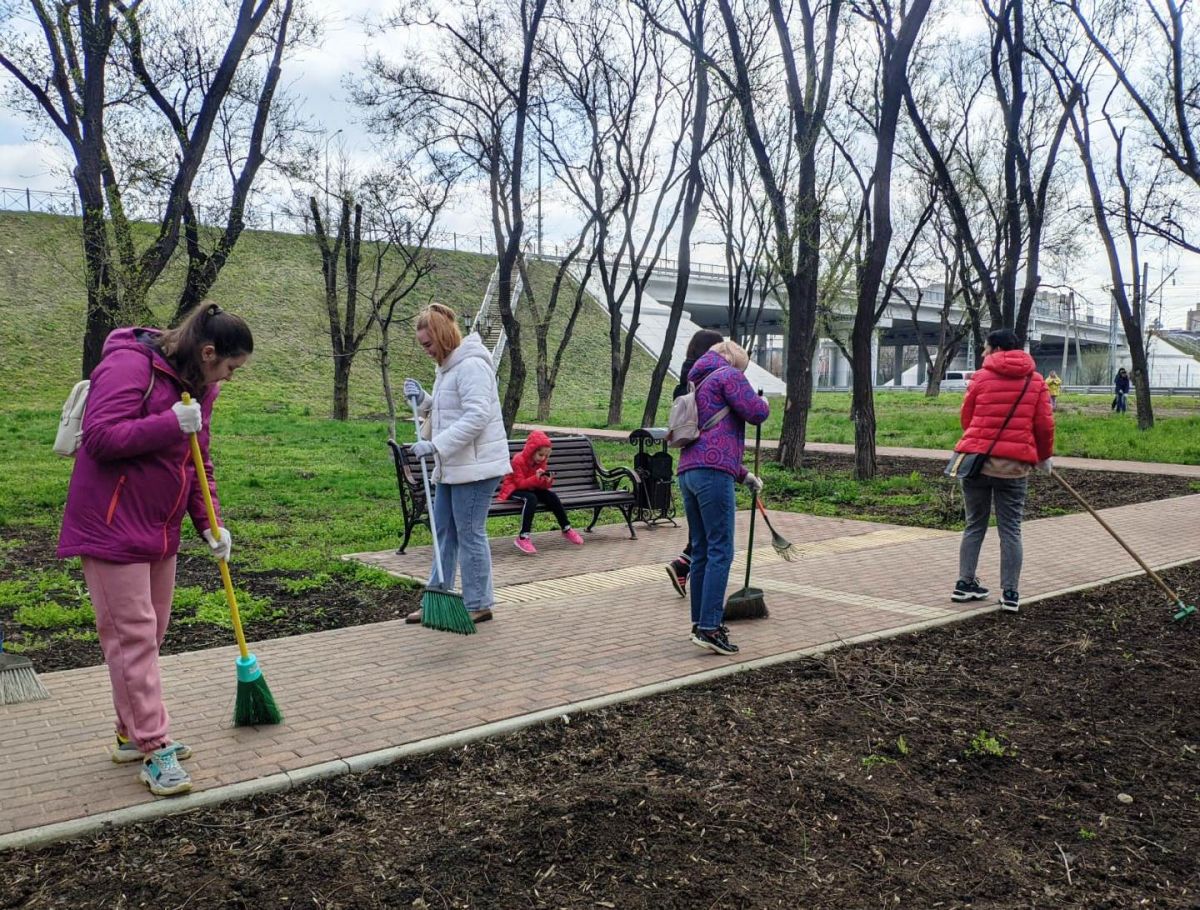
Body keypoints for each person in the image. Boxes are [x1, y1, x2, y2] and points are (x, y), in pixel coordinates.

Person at [57, 302, 252, 797]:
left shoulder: (200, 387)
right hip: (110, 525)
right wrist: (171, 422)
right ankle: (154, 745)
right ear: (208, 352)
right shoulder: (129, 365)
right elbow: (98, 438)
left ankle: (129, 732)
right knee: (133, 637)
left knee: (151, 632)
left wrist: (211, 525)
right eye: (230, 368)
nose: (230, 379)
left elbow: (196, 459)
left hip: (158, 528)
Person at [403, 303, 510, 625]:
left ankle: (479, 603)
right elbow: (447, 412)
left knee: (468, 533)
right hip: (454, 467)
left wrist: (435, 444)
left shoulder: (472, 366)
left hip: (476, 469)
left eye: (428, 343)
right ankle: (437, 600)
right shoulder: (448, 367)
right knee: (444, 533)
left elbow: (477, 416)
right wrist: (423, 400)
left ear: (443, 336)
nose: (425, 350)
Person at [950, 328, 1054, 614]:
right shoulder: (1035, 382)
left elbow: (967, 418)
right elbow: (1044, 425)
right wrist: (1044, 457)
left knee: (974, 525)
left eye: (985, 348)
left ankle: (964, 583)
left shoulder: (980, 378)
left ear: (996, 349)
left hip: (977, 463)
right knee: (1011, 530)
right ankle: (1010, 593)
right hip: (1014, 467)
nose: (983, 353)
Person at [677, 340, 770, 655]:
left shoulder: (699, 380)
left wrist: (744, 475)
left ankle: (700, 623)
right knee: (721, 551)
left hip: (689, 472)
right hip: (712, 474)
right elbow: (756, 413)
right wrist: (765, 402)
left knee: (702, 550)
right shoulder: (727, 375)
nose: (740, 373)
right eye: (742, 368)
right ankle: (711, 627)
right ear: (731, 359)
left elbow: (711, 436)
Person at [665, 329, 724, 597]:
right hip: (710, 463)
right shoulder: (709, 376)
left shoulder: (686, 377)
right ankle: (707, 618)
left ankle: (684, 565)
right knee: (714, 537)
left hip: (688, 463)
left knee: (701, 529)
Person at [498, 430, 584, 554]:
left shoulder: (542, 462)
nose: (542, 458)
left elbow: (541, 486)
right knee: (531, 498)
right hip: (513, 489)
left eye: (545, 456)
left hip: (530, 488)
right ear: (532, 451)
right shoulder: (518, 460)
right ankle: (523, 537)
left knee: (551, 496)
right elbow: (520, 484)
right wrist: (536, 478)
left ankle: (566, 528)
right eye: (540, 455)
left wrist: (547, 481)